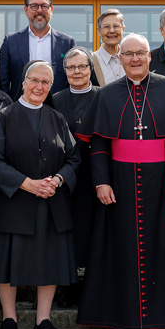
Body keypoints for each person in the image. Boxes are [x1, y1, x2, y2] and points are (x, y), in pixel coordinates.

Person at [76, 33, 165, 329]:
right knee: (119, 250)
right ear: (120, 58)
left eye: (140, 53)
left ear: (149, 56)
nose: (134, 59)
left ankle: (155, 322)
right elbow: (98, 143)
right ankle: (120, 323)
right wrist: (101, 181)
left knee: (158, 250)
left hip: (161, 183)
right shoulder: (107, 94)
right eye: (128, 54)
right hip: (119, 182)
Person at [0, 61, 80, 329]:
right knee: (6, 264)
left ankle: (43, 320)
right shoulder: (4, 116)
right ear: (24, 82)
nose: (39, 87)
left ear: (51, 87)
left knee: (48, 261)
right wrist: (27, 183)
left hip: (50, 203)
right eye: (34, 80)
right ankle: (9, 319)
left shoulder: (57, 118)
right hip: (14, 202)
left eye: (45, 82)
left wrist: (58, 180)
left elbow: (74, 158)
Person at [53, 47, 100, 305]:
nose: (77, 72)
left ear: (90, 69)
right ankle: (67, 284)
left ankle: (94, 287)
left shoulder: (103, 96)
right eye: (71, 67)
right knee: (68, 232)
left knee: (95, 230)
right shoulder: (55, 99)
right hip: (66, 177)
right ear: (65, 71)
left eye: (82, 66)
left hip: (97, 175)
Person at [0, 0, 76, 99]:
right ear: (26, 10)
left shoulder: (67, 43)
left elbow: (72, 80)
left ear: (51, 10)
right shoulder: (11, 42)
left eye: (44, 6)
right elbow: (3, 81)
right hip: (20, 106)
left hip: (57, 107)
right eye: (34, 6)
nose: (39, 10)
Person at [91, 9, 125, 85]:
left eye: (116, 26)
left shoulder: (131, 58)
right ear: (99, 31)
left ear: (123, 29)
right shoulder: (91, 61)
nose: (112, 31)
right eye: (106, 27)